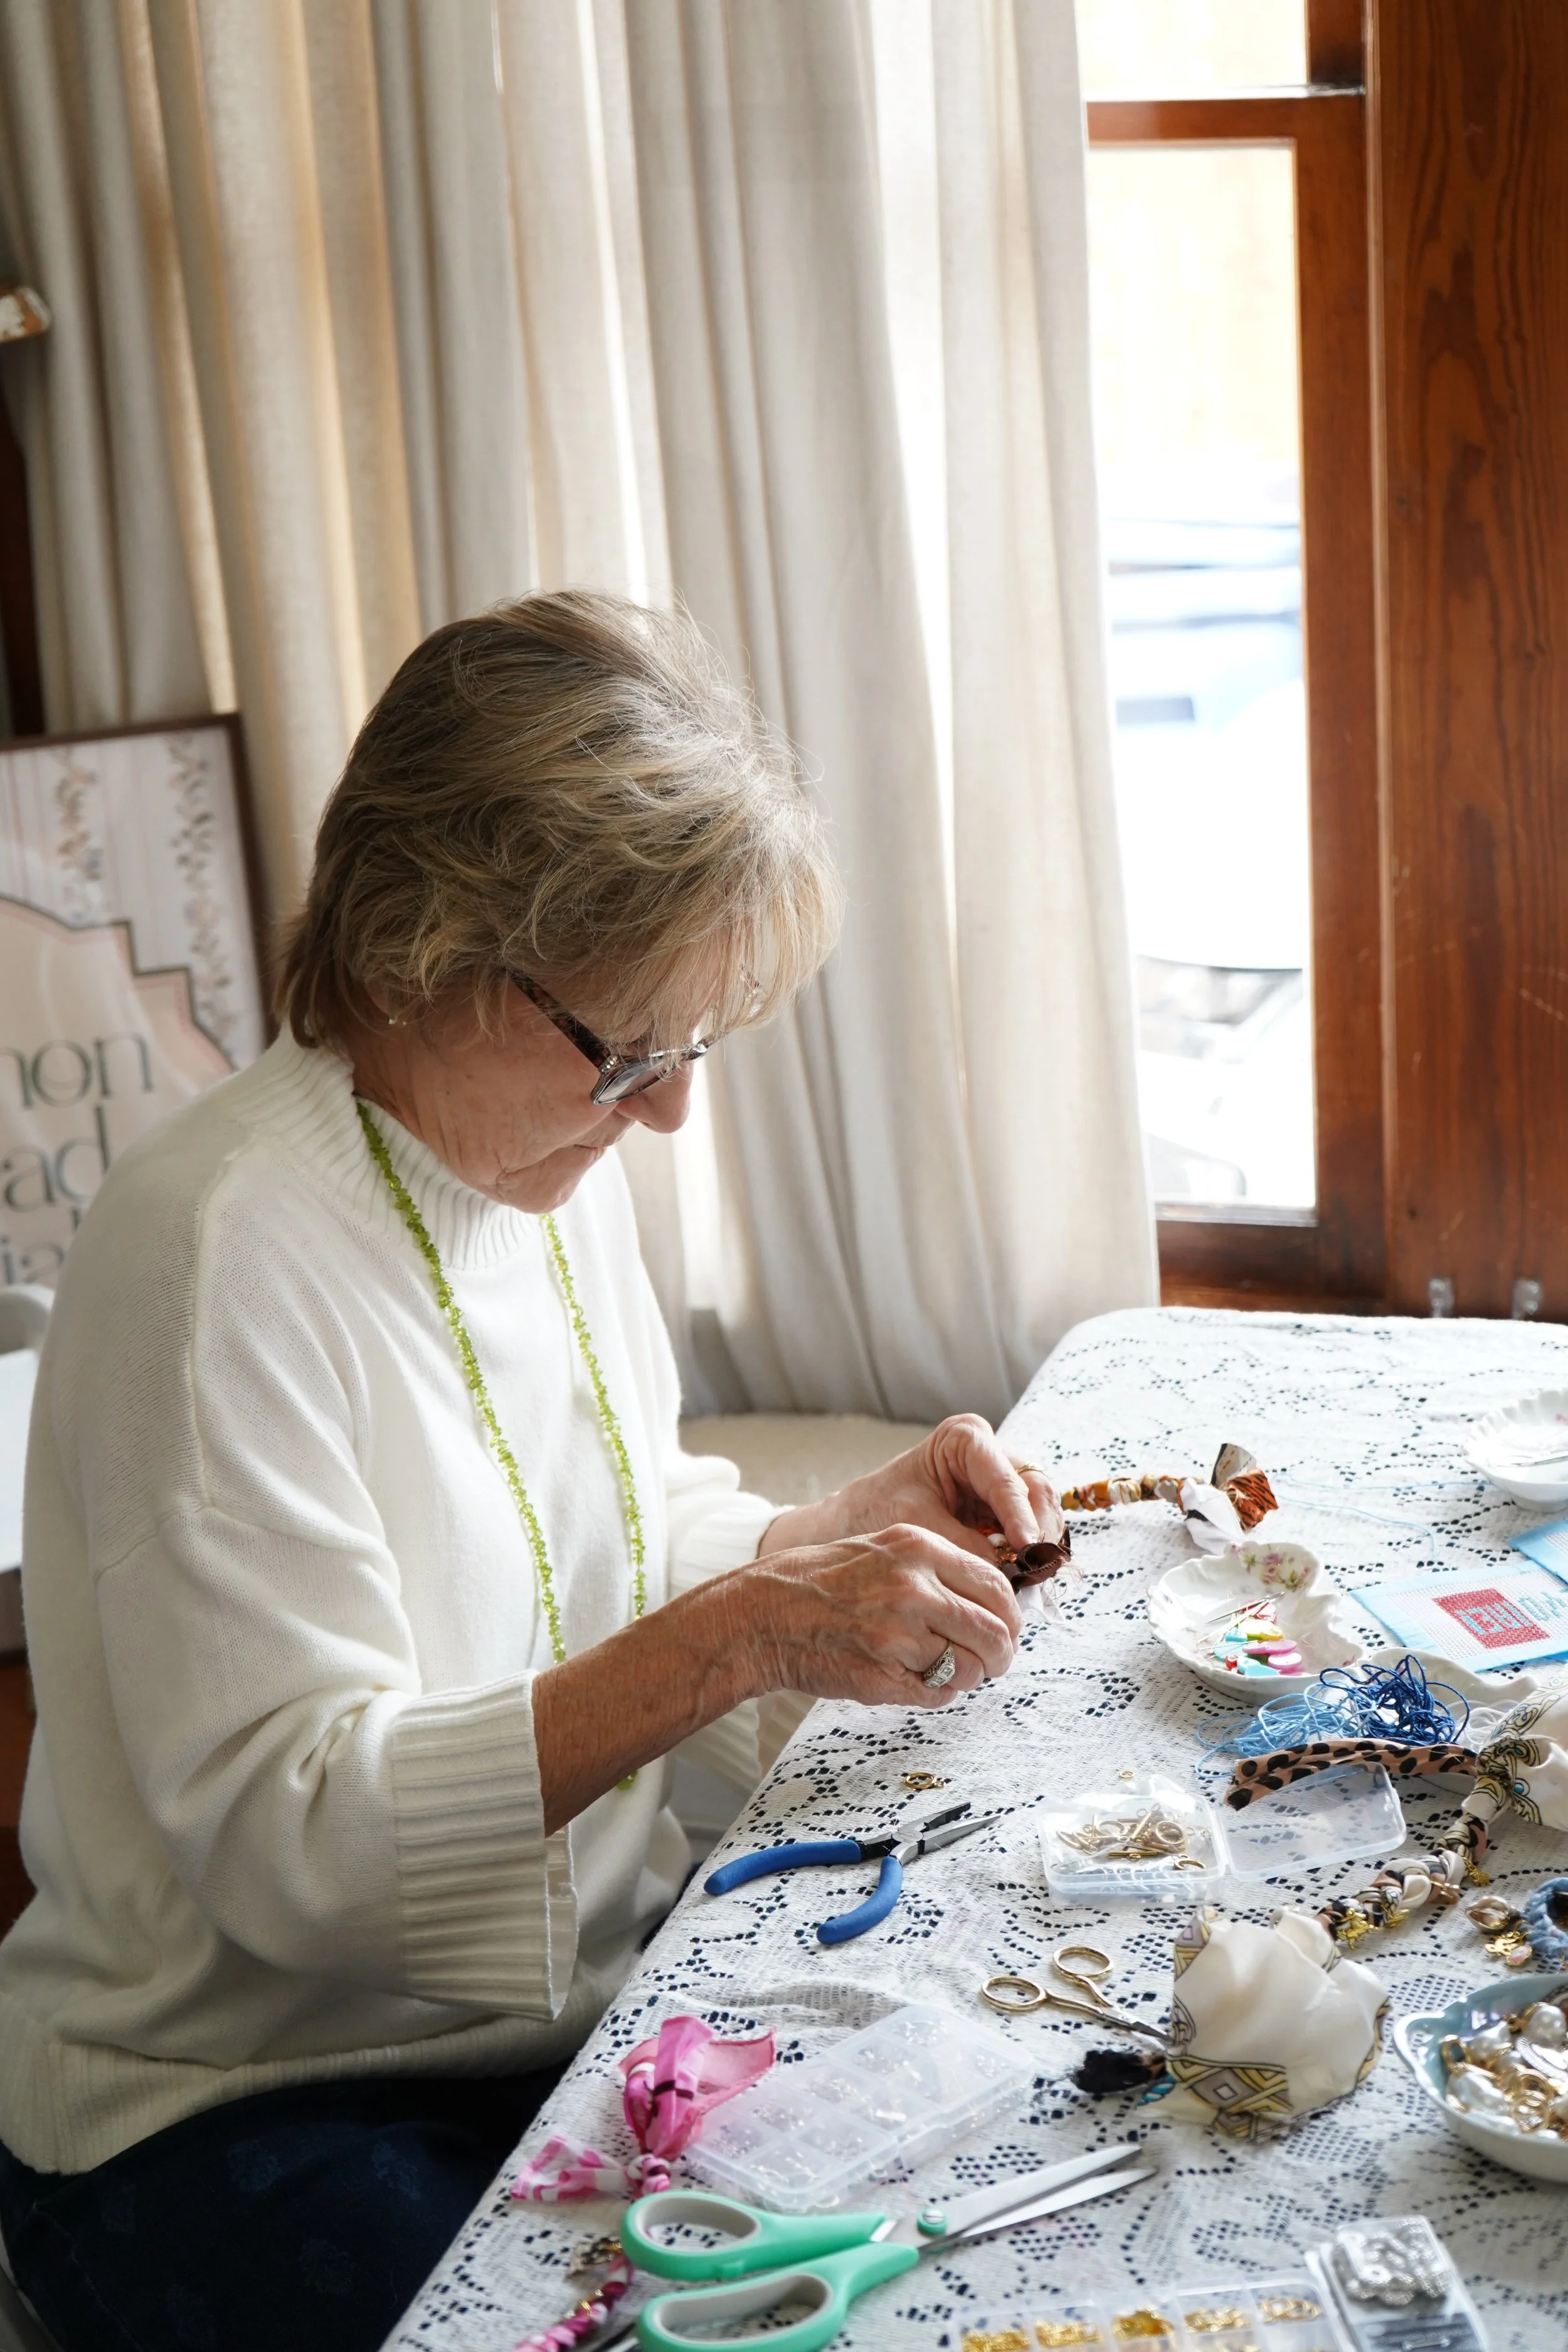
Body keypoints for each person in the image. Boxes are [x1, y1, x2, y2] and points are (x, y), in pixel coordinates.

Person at [0, 593, 1062, 2352]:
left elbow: (617, 1555)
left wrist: (835, 1546)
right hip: (221, 2102)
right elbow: (301, 1848)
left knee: (956, 2192)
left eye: (693, 1049)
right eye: (631, 1050)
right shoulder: (217, 1248)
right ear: (427, 943)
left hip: (539, 2034)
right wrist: (746, 1630)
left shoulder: (534, 1161)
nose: (665, 1116)